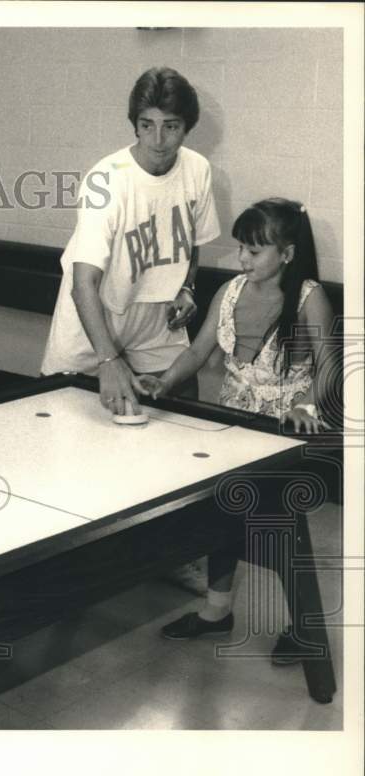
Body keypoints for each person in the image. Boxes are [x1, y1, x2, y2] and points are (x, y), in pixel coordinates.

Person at [135, 199, 335, 662]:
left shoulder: (309, 297)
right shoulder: (230, 292)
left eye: (254, 251)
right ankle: (216, 611)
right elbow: (197, 351)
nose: (243, 258)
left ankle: (303, 626)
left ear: (287, 254)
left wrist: (306, 405)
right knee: (220, 515)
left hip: (286, 430)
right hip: (234, 422)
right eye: (241, 248)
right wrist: (164, 381)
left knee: (279, 529)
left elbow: (329, 367)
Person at [40, 66, 220, 413]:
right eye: (147, 125)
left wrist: (187, 288)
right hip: (95, 318)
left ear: (187, 127)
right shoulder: (106, 181)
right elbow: (83, 283)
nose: (158, 140)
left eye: (171, 126)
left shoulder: (198, 170)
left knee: (184, 419)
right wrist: (108, 359)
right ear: (135, 125)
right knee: (62, 424)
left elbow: (192, 240)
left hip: (154, 320)